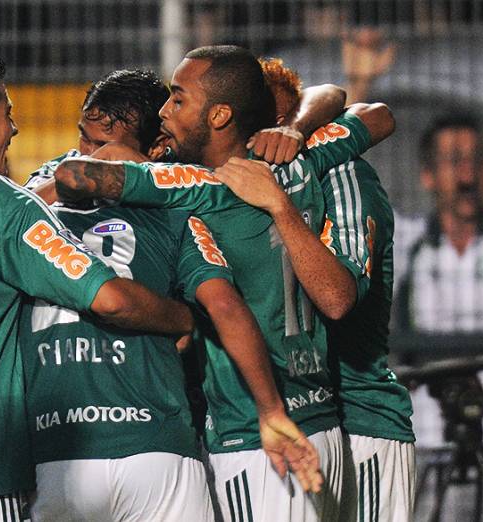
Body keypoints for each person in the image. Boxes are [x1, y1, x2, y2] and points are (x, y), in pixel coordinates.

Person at [53, 45, 389, 521]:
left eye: (178, 99)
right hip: (319, 423)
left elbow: (77, 176)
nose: (165, 112)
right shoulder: (299, 160)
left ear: (220, 114)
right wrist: (295, 128)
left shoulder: (199, 185)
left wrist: (130, 158)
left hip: (257, 438)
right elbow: (375, 116)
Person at [0, 53, 195, 522]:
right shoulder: (7, 208)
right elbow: (113, 299)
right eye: (8, 115)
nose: (15, 130)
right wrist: (185, 318)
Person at [22, 69, 319, 522]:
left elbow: (223, 305)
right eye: (84, 139)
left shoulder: (176, 199)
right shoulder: (53, 186)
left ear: (156, 146)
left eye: (102, 144)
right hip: (99, 448)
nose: (87, 155)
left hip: (124, 441)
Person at [225, 57, 416, 522]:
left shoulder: (342, 174)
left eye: (282, 125)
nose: (272, 141)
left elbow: (338, 301)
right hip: (289, 420)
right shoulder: (234, 182)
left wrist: (297, 129)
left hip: (359, 419)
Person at [398, 114, 483, 469]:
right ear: (428, 176)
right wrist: (357, 86)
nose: (468, 174)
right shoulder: (409, 243)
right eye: (455, 160)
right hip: (429, 435)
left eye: (477, 160)